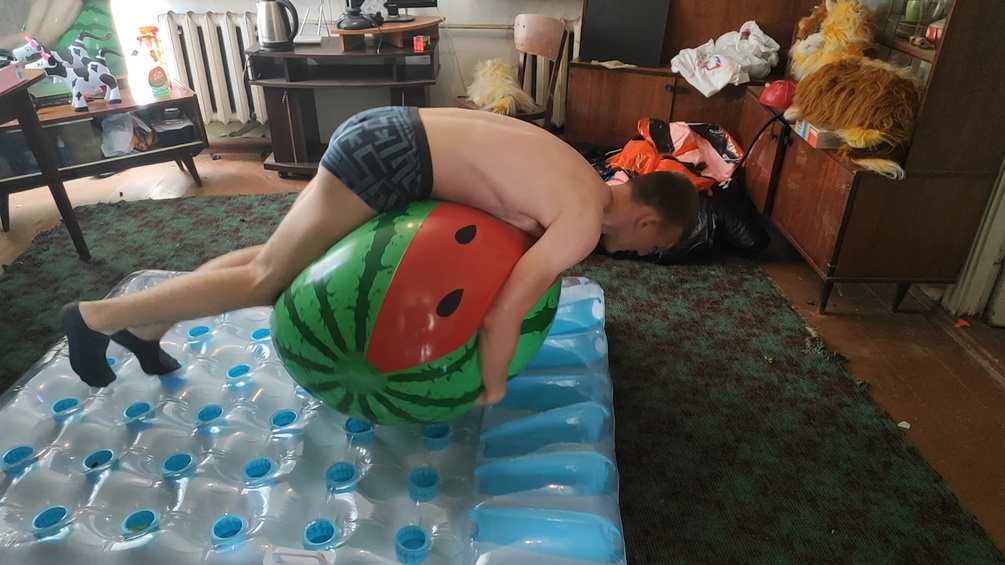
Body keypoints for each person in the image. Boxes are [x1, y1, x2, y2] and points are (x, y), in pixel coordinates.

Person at [61, 106, 699, 406]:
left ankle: (147, 329)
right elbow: (504, 311)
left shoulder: (586, 174)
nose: (643, 253)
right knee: (267, 278)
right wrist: (494, 386)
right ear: (648, 219)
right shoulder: (583, 223)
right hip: (393, 159)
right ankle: (97, 318)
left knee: (288, 257)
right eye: (654, 245)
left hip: (391, 132)